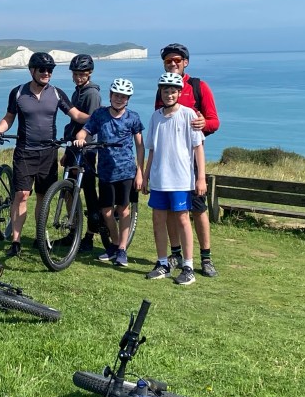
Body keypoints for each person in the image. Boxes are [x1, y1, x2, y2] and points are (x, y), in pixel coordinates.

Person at [0, 52, 89, 257]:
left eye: (50, 70)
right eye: (42, 69)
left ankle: (40, 234)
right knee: (21, 195)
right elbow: (9, 117)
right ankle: (15, 240)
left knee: (44, 196)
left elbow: (75, 114)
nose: (46, 73)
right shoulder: (18, 92)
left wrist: (100, 116)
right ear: (32, 70)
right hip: (25, 152)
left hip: (49, 153)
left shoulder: (57, 93)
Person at [155, 43, 220, 278]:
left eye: (177, 61)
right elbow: (160, 121)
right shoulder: (163, 87)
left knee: (198, 209)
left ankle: (206, 257)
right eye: (168, 61)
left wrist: (205, 125)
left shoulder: (198, 86)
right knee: (172, 210)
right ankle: (175, 254)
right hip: (168, 161)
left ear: (186, 62)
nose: (173, 64)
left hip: (191, 159)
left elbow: (214, 121)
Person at [143, 72, 206, 285]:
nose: (169, 94)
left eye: (173, 91)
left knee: (182, 219)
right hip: (159, 178)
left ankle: (188, 266)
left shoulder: (189, 115)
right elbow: (151, 149)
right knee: (157, 220)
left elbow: (198, 148)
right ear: (160, 93)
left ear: (179, 92)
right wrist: (145, 174)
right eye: (165, 91)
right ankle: (162, 263)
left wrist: (201, 178)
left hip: (181, 178)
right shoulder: (155, 116)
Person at [74, 78, 144, 266]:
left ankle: (122, 249)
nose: (119, 99)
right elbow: (85, 131)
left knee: (123, 209)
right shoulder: (99, 115)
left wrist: (140, 172)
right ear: (110, 96)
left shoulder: (133, 118)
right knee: (106, 212)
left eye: (123, 96)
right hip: (105, 172)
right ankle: (114, 245)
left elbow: (140, 146)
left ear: (128, 99)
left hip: (127, 171)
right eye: (116, 95)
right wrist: (80, 138)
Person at [61, 54, 102, 252]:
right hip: (73, 145)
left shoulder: (91, 93)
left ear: (89, 74)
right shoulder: (79, 91)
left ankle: (90, 235)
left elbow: (93, 120)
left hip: (86, 148)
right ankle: (73, 230)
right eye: (75, 74)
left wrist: (82, 139)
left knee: (87, 190)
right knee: (69, 188)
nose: (78, 77)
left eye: (82, 74)